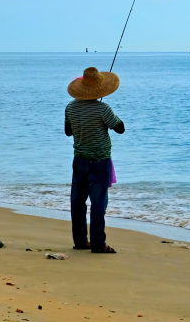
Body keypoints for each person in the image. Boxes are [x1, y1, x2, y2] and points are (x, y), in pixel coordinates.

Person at [65, 66, 124, 253]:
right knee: (98, 203)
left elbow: (68, 132)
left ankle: (80, 241)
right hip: (100, 161)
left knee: (78, 202)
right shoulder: (103, 109)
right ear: (99, 89)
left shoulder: (70, 107)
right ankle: (98, 243)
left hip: (79, 160)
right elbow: (120, 128)